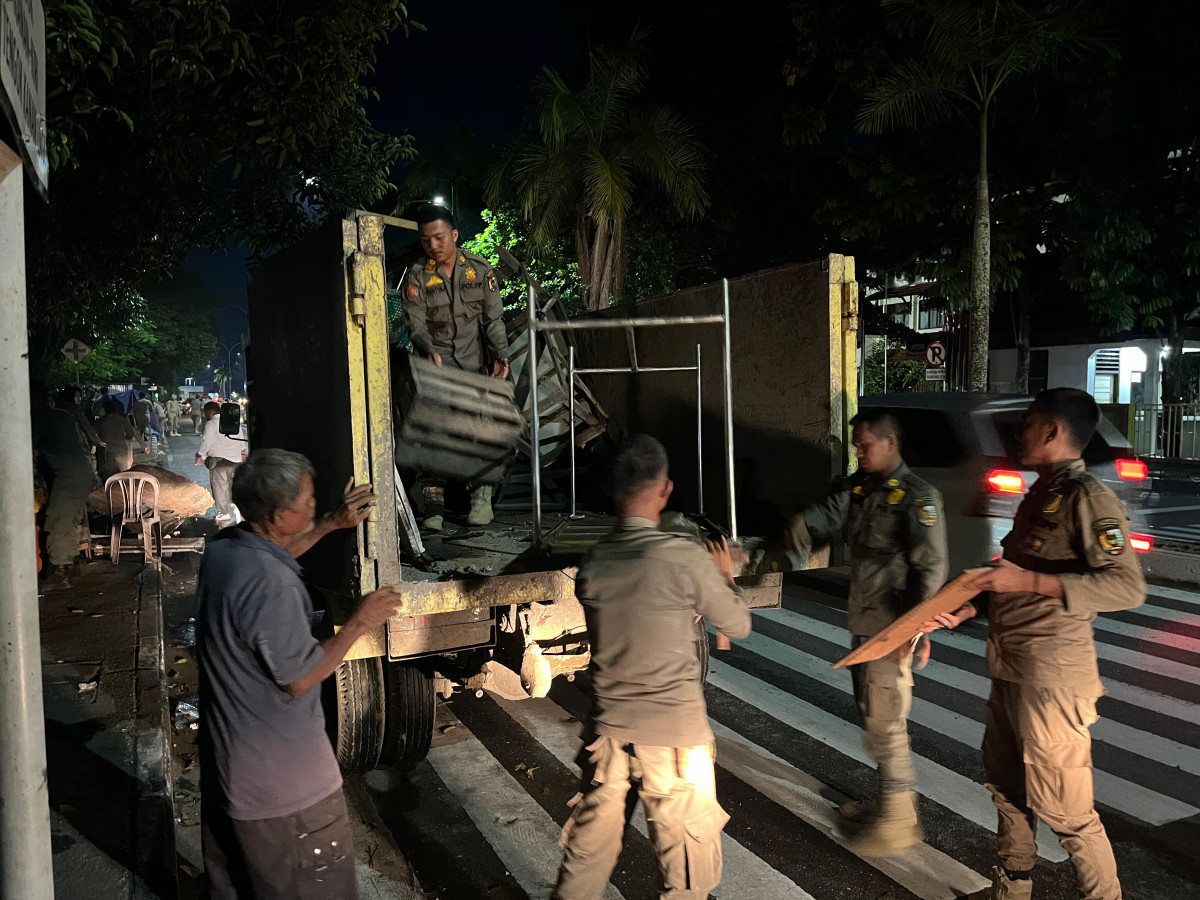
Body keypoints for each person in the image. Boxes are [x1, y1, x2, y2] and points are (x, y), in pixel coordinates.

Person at [921, 389, 1146, 900]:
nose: (1019, 433)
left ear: (1052, 431)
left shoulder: (1088, 497)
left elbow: (1127, 586)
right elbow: (1018, 570)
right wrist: (972, 607)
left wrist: (1027, 583)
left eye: (1027, 424)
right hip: (1011, 666)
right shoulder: (1043, 492)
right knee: (1007, 789)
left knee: (1067, 812)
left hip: (1052, 677)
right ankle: (1013, 885)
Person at [552, 435, 750, 900]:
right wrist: (723, 576)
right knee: (685, 880)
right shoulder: (683, 558)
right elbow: (737, 624)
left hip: (609, 740)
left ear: (612, 491)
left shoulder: (594, 563)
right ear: (665, 489)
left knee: (584, 869)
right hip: (676, 744)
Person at [195, 448, 399, 899]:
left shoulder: (227, 550)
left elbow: (277, 551)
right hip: (284, 794)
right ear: (278, 515)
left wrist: (329, 523)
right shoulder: (271, 584)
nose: (313, 504)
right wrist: (361, 622)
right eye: (307, 500)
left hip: (232, 773)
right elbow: (300, 678)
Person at [785, 407, 948, 857]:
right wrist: (799, 528)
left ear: (890, 443)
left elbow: (931, 570)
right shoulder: (863, 490)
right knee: (872, 713)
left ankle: (897, 822)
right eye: (856, 445)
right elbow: (828, 516)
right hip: (864, 624)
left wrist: (912, 632)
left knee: (885, 722)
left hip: (890, 631)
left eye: (865, 445)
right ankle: (890, 804)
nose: (859, 452)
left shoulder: (917, 497)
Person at [401, 205, 509, 530]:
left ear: (454, 235)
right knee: (435, 435)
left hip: (474, 364)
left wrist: (501, 354)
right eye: (426, 240)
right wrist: (427, 348)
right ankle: (433, 506)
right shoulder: (417, 275)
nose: (433, 245)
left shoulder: (480, 269)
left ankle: (481, 501)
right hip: (435, 365)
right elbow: (415, 323)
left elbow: (493, 319)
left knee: (480, 431)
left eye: (439, 237)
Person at [32, 388, 101, 590]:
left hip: (69, 477)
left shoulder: (40, 418)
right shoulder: (63, 415)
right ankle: (71, 565)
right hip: (83, 474)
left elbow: (26, 447)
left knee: (57, 523)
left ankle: (60, 572)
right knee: (69, 522)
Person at [197, 401, 246, 523]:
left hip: (219, 462)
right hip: (235, 460)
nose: (205, 415)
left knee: (218, 488)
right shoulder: (233, 422)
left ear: (210, 412)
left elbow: (206, 442)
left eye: (205, 412)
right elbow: (241, 441)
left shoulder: (211, 424)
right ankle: (237, 508)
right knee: (233, 487)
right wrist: (242, 455)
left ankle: (223, 513)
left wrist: (201, 454)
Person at [96, 398, 150, 482]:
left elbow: (94, 437)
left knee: (107, 480)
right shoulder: (123, 419)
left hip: (105, 455)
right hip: (121, 453)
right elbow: (131, 433)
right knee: (121, 479)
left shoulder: (100, 421)